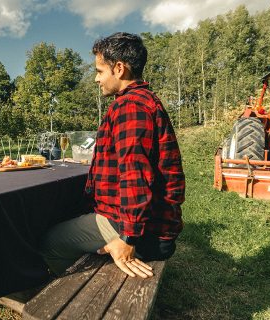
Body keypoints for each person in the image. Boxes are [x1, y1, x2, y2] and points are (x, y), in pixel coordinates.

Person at [39, 32, 185, 279]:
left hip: (142, 231)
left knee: (48, 242)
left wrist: (128, 238)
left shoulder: (130, 106)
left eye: (99, 71)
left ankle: (81, 295)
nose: (96, 79)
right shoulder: (144, 101)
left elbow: (135, 175)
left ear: (119, 69)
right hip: (148, 222)